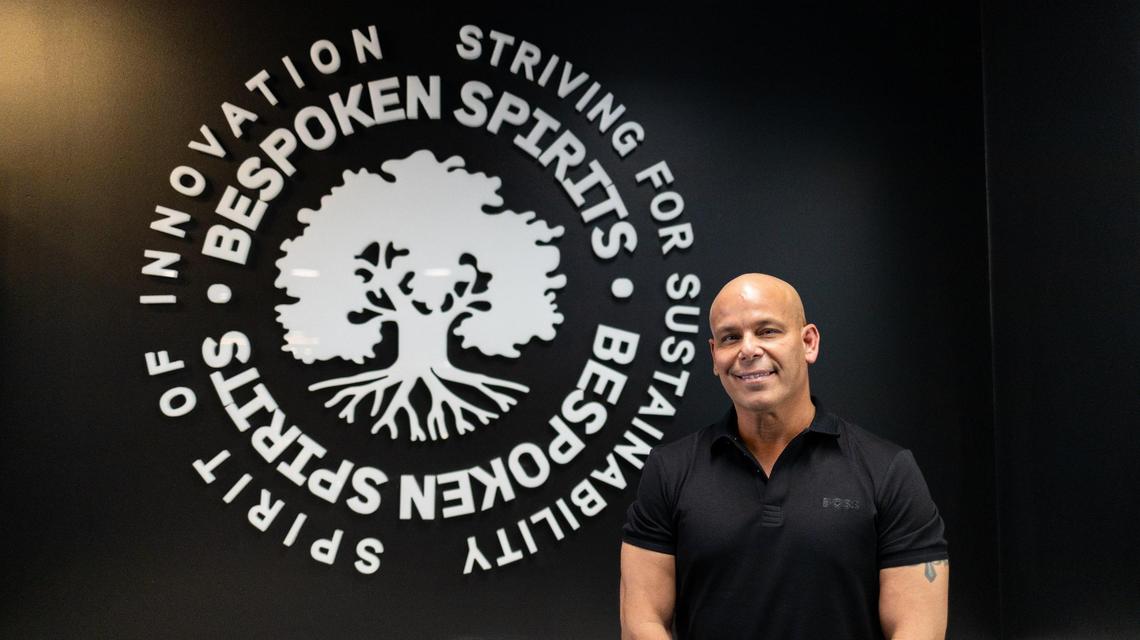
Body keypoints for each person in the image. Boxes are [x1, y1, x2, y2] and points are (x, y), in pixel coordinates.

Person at [620, 273, 949, 639]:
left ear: (808, 342)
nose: (748, 350)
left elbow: (918, 628)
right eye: (731, 337)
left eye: (767, 331)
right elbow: (642, 621)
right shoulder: (669, 471)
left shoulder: (888, 471)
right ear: (714, 357)